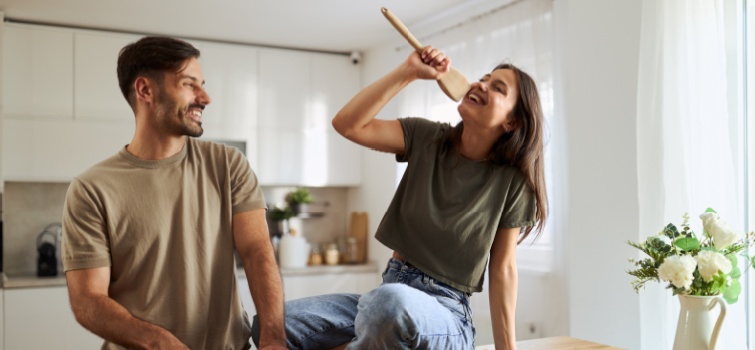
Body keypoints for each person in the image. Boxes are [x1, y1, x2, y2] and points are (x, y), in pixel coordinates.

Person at [252, 46, 548, 349]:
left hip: (445, 314)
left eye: (497, 88)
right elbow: (348, 124)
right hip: (389, 297)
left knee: (387, 305)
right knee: (270, 324)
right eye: (483, 78)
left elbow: (503, 270)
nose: (481, 84)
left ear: (512, 122)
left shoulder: (513, 182)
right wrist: (408, 72)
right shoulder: (427, 138)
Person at [61, 36, 287, 350]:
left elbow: (257, 251)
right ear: (145, 90)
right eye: (189, 84)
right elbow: (88, 300)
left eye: (202, 84)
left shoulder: (227, 164)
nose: (205, 97)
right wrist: (159, 342)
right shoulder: (91, 189)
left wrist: (273, 338)